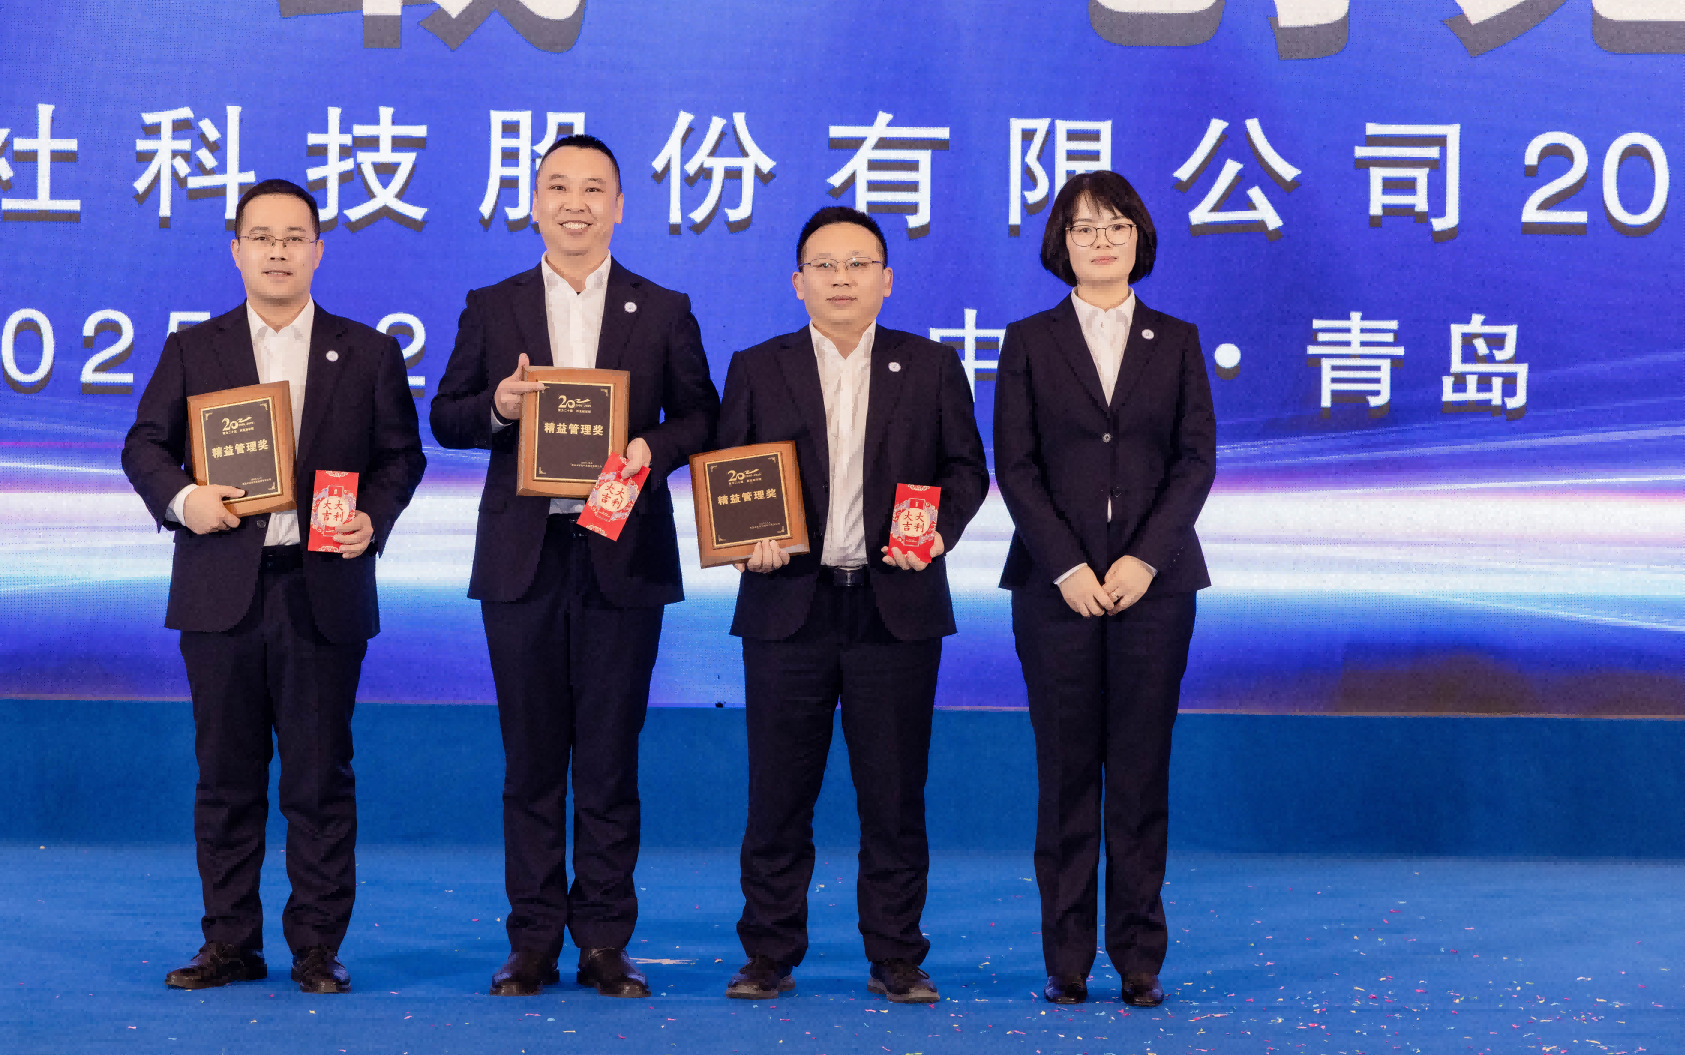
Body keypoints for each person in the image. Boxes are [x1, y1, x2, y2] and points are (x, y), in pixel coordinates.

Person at [428, 135, 719, 1000]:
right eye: (558, 186)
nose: (575, 203)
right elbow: (446, 416)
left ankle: (603, 942)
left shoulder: (661, 308)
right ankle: (531, 942)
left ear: (619, 206)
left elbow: (703, 416)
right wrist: (499, 404)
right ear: (534, 203)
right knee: (530, 759)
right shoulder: (494, 305)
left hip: (622, 555)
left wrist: (649, 448)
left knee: (608, 759)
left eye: (594, 189)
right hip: (523, 558)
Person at [121, 178, 426, 995]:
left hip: (321, 591)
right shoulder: (195, 349)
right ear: (237, 251)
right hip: (220, 592)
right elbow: (143, 446)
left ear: (319, 251)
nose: (279, 251)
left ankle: (317, 946)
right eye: (262, 237)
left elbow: (403, 456)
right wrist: (186, 499)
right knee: (225, 779)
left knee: (319, 780)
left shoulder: (368, 353)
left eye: (295, 237)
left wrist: (373, 517)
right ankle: (229, 942)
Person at [716, 205, 989, 1005]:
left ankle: (897, 955)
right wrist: (745, 538)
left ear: (887, 280)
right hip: (786, 607)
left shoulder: (930, 366)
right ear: (797, 281)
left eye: (858, 264)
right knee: (777, 795)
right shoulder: (757, 367)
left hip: (894, 607)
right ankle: (768, 953)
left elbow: (966, 470)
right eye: (824, 265)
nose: (841, 278)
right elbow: (729, 470)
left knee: (894, 796)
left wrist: (936, 532)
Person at [992, 170, 1216, 1008]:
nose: (1101, 241)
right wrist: (1068, 567)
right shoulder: (1029, 341)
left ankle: (1139, 957)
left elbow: (1196, 461)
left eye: (1117, 225)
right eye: (1084, 227)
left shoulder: (1177, 340)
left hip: (1156, 588)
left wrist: (1144, 560)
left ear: (1139, 238)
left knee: (1140, 772)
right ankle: (1067, 958)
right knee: (1066, 772)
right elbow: (1015, 465)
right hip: (1055, 591)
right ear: (1062, 243)